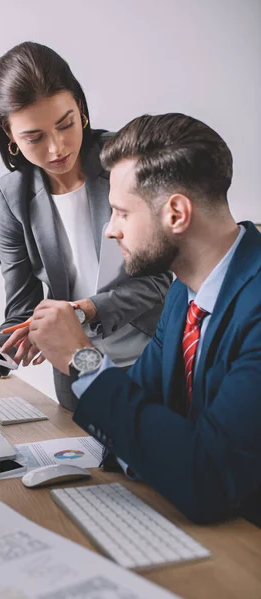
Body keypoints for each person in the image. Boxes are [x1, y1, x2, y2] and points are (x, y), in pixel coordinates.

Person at [27, 112, 261, 525]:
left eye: (121, 212)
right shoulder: (181, 294)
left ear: (175, 214)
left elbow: (206, 478)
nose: (110, 230)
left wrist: (82, 359)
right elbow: (138, 417)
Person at [0, 42, 171, 411]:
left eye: (66, 124)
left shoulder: (125, 163)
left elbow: (159, 280)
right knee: (90, 464)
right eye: (34, 137)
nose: (57, 149)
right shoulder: (12, 196)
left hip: (153, 357)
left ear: (81, 108)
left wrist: (81, 311)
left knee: (149, 461)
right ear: (9, 136)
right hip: (79, 368)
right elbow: (24, 309)